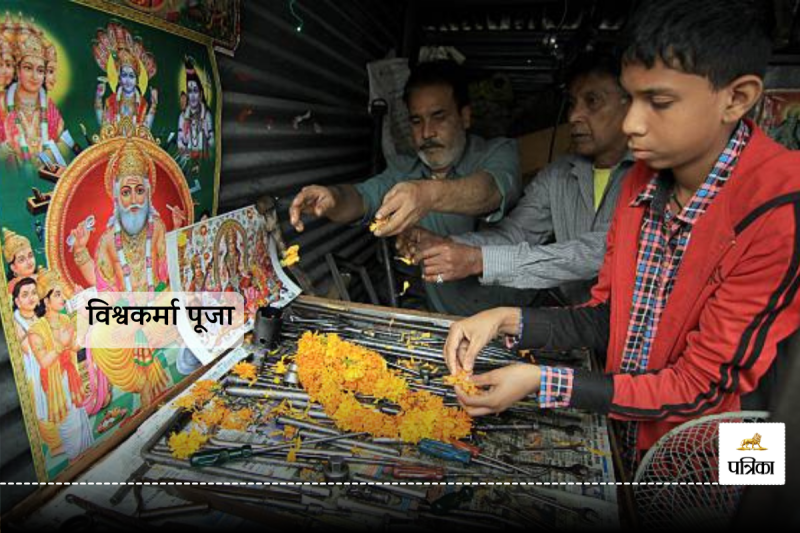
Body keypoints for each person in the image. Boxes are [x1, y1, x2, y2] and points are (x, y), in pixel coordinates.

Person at [445, 0, 800, 475]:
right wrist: (508, 319)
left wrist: (544, 380)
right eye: (631, 99)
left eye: (659, 102)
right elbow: (614, 319)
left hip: (725, 454)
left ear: (736, 98)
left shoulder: (778, 206)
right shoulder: (641, 181)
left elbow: (701, 386)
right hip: (630, 430)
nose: (632, 123)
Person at [289, 60, 523, 315]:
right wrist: (333, 197)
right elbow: (361, 198)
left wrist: (426, 195)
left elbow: (490, 192)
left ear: (464, 117)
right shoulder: (404, 171)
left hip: (514, 318)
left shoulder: (499, 152)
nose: (427, 132)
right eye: (416, 121)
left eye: (438, 117)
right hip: (447, 321)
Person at [403, 53, 633, 305]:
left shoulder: (649, 177)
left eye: (592, 101)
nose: (574, 116)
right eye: (572, 103)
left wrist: (479, 260)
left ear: (631, 104)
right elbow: (515, 234)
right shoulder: (558, 175)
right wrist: (448, 245)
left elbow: (598, 252)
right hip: (576, 320)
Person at [69, 138, 184, 293]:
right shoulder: (108, 240)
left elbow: (169, 266)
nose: (133, 200)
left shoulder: (157, 227)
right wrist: (79, 249)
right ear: (117, 198)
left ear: (148, 194)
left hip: (158, 299)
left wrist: (177, 228)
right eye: (126, 192)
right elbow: (100, 281)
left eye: (139, 191)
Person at [28, 269, 94, 461]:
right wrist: (60, 345)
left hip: (72, 380)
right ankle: (77, 466)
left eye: (62, 294)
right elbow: (44, 362)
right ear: (46, 301)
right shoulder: (36, 330)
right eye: (57, 294)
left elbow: (75, 346)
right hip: (55, 385)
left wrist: (85, 317)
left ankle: (88, 461)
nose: (63, 298)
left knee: (81, 422)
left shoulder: (65, 320)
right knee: (69, 429)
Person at [177, 57, 214, 159]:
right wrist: (185, 136)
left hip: (204, 157)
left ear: (200, 94)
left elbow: (212, 143)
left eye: (195, 91)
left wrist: (206, 132)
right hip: (189, 158)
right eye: (190, 91)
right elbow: (180, 144)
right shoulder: (183, 116)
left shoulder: (206, 115)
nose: (192, 95)